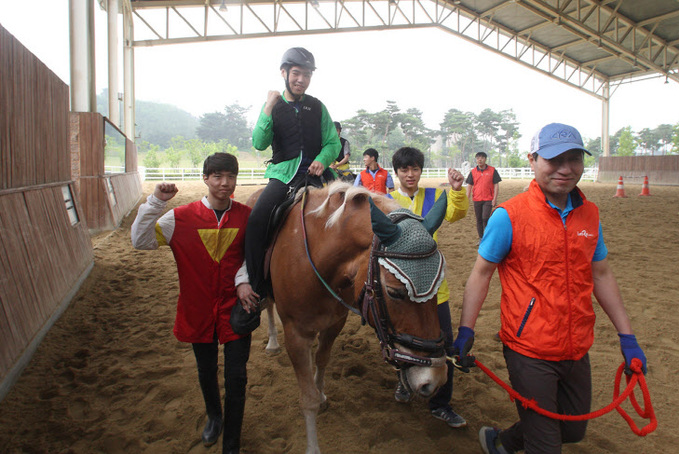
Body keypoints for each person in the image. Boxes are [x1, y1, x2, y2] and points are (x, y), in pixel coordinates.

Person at [452, 123, 648, 454]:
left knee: (572, 429)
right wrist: (465, 330)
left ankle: (500, 441)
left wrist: (628, 338)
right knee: (546, 445)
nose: (565, 169)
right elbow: (481, 274)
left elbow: (600, 274)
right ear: (533, 160)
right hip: (528, 349)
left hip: (576, 345)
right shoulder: (509, 216)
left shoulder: (590, 214)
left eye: (574, 159)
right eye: (554, 160)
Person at [131, 153, 259, 454]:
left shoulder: (247, 217)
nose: (224, 183)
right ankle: (215, 417)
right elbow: (140, 241)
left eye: (230, 176)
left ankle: (232, 444)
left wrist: (243, 279)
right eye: (217, 176)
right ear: (205, 178)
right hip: (197, 309)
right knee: (205, 369)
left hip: (237, 310)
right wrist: (156, 203)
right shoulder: (180, 217)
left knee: (237, 378)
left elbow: (255, 256)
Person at [245, 47, 340, 298]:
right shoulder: (273, 107)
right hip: (285, 176)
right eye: (297, 73)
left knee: (349, 211)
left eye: (307, 75)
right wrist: (268, 107)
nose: (301, 80)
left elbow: (333, 143)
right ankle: (257, 287)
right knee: (256, 221)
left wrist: (322, 160)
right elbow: (259, 142)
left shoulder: (318, 107)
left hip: (319, 175)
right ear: (284, 73)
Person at [388, 146, 469, 428]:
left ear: (421, 171)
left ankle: (441, 404)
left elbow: (457, 214)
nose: (410, 175)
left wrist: (457, 190)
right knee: (400, 339)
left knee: (442, 344)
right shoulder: (386, 201)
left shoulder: (436, 196)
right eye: (404, 170)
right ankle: (403, 379)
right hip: (401, 289)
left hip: (435, 287)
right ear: (396, 172)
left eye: (415, 169)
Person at [465, 151, 502, 239]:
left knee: (485, 218)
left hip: (488, 199)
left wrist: (494, 198)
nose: (480, 160)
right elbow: (469, 185)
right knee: (479, 219)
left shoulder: (492, 170)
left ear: (485, 159)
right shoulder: (473, 172)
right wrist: (467, 198)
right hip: (477, 199)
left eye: (482, 158)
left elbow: (496, 185)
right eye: (478, 158)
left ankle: (487, 236)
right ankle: (481, 238)